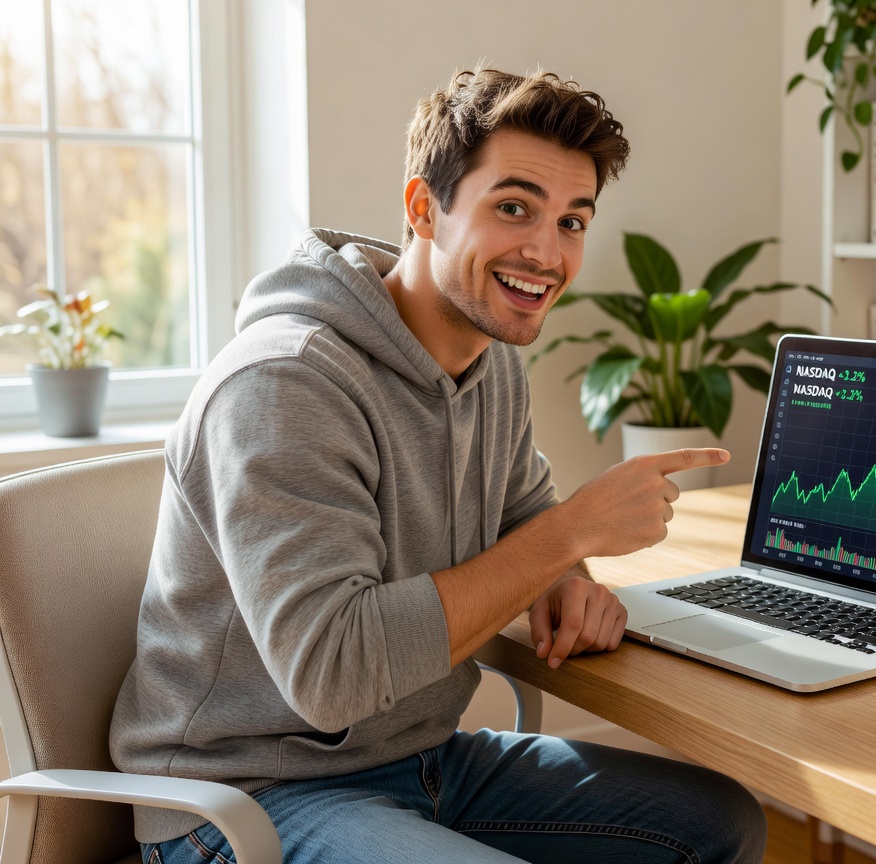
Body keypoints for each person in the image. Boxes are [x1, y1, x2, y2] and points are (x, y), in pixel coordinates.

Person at [110, 67, 766, 864]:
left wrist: (568, 580)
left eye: (572, 221)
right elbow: (331, 676)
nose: (546, 252)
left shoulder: (492, 366)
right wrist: (569, 534)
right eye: (514, 208)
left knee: (720, 822)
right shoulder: (285, 383)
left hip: (424, 760)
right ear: (424, 208)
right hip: (244, 797)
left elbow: (526, 516)